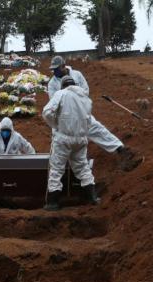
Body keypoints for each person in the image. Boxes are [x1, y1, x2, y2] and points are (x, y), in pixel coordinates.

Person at [48, 55, 140, 168]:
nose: (54, 72)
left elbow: (85, 91)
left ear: (63, 66)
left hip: (80, 111)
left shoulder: (77, 75)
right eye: (53, 70)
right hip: (64, 117)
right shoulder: (52, 83)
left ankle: (120, 149)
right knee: (60, 139)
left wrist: (73, 97)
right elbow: (54, 101)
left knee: (97, 129)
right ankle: (62, 166)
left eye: (56, 69)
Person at [42, 76, 96, 211]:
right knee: (83, 167)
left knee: (56, 169)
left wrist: (56, 125)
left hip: (64, 139)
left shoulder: (61, 94)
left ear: (63, 85)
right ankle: (92, 197)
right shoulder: (86, 98)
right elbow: (89, 120)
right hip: (81, 139)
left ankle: (52, 203)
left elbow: (47, 112)